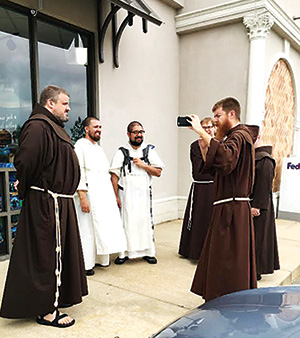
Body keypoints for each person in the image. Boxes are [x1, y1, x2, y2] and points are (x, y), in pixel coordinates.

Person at [0, 85, 88, 327]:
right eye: (65, 104)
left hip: (58, 202)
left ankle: (56, 299)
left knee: (54, 255)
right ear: (50, 104)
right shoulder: (38, 126)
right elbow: (25, 161)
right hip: (48, 203)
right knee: (47, 256)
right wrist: (25, 187)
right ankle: (46, 310)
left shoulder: (52, 127)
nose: (69, 108)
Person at [188, 97, 257, 302]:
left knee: (229, 259)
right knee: (222, 257)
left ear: (231, 114)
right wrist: (206, 144)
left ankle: (228, 299)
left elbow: (225, 158)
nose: (215, 120)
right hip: (228, 207)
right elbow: (219, 169)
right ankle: (221, 296)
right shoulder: (234, 137)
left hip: (232, 209)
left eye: (218, 116)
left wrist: (202, 132)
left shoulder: (240, 135)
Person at [74, 117, 127, 276]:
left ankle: (101, 259)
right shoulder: (80, 146)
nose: (98, 130)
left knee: (101, 228)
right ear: (86, 129)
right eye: (95, 127)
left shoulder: (98, 148)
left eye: (100, 127)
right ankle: (86, 264)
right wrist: (82, 196)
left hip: (102, 194)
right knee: (87, 230)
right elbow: (78, 172)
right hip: (89, 194)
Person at [110, 121, 164, 265]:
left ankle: (148, 252)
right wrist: (115, 196)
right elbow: (114, 175)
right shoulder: (122, 152)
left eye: (141, 132)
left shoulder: (149, 151)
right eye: (135, 132)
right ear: (129, 134)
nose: (139, 135)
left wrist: (143, 165)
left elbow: (158, 172)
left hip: (144, 194)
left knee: (144, 222)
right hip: (127, 193)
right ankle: (124, 253)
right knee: (126, 222)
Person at [178, 117, 216, 260]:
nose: (207, 130)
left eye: (209, 127)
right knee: (199, 220)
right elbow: (199, 170)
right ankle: (195, 251)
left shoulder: (219, 144)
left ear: (214, 128)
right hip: (200, 187)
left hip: (214, 187)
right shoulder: (195, 146)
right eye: (204, 127)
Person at [251, 133, 280, 281]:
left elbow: (264, 186)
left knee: (259, 238)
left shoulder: (265, 160)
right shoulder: (257, 157)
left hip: (260, 207)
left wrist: (257, 206)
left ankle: (257, 269)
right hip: (256, 204)